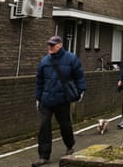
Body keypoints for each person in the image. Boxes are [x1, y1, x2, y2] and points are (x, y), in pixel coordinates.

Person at [32, 35, 86, 167]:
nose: (49, 47)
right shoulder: (44, 61)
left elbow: (79, 76)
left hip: (62, 99)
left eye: (52, 45)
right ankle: (43, 156)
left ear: (60, 45)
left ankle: (69, 145)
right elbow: (39, 81)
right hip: (46, 100)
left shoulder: (71, 58)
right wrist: (38, 98)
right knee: (44, 126)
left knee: (65, 125)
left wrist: (81, 91)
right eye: (48, 44)